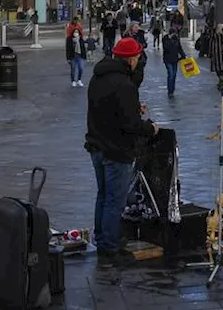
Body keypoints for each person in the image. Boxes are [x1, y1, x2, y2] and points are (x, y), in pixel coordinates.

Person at [85, 37, 159, 271]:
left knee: (103, 196)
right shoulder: (125, 85)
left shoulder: (98, 78)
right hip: (117, 150)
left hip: (96, 145)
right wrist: (150, 127)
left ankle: (103, 238)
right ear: (131, 59)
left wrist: (133, 109)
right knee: (114, 201)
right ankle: (109, 247)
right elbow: (130, 125)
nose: (138, 61)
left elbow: (108, 110)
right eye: (137, 57)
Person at [203, 23, 223, 93]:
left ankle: (221, 81)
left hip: (215, 56)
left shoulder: (213, 36)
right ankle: (222, 81)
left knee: (218, 70)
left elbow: (211, 46)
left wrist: (210, 54)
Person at [161, 28, 187, 98]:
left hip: (175, 59)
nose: (175, 35)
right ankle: (170, 91)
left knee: (174, 75)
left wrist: (183, 55)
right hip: (168, 60)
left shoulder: (176, 39)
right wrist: (170, 39)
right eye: (174, 33)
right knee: (171, 74)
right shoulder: (165, 38)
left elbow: (179, 47)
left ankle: (172, 90)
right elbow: (166, 48)